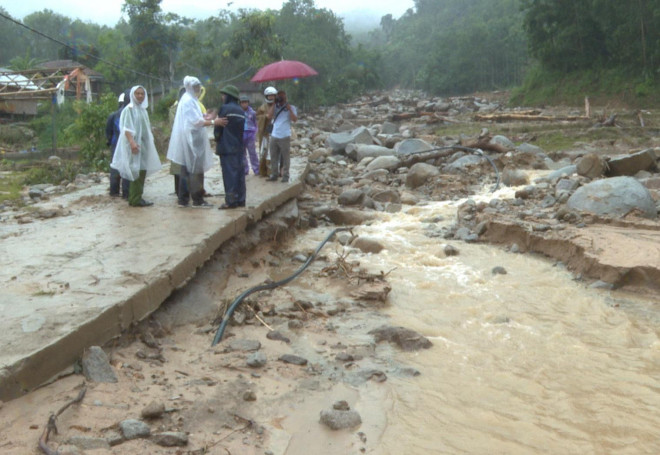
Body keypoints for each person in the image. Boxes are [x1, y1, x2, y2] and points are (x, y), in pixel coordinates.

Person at [167, 76, 222, 208]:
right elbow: (195, 122)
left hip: (191, 140)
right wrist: (214, 122)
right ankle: (197, 199)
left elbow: (194, 118)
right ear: (189, 87)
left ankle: (183, 199)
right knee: (195, 170)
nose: (197, 88)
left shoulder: (190, 100)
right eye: (195, 86)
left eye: (198, 86)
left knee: (186, 169)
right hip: (191, 141)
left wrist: (205, 116)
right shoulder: (188, 101)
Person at [110, 85, 162, 207]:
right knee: (135, 172)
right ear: (133, 95)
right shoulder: (129, 109)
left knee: (141, 171)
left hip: (143, 146)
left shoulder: (142, 110)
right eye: (137, 93)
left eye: (142, 94)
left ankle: (137, 196)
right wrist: (132, 143)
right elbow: (126, 129)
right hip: (133, 147)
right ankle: (134, 199)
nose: (140, 96)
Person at [214, 85, 245, 209]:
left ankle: (230, 201)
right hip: (238, 146)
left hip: (226, 147)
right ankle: (241, 200)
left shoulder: (225, 108)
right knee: (239, 174)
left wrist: (217, 138)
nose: (222, 97)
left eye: (223, 95)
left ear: (228, 96)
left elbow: (218, 128)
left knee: (229, 174)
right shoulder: (241, 110)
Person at [267, 89, 297, 183]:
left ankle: (286, 175)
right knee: (273, 156)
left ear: (286, 97)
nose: (281, 98)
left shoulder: (291, 107)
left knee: (285, 157)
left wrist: (289, 109)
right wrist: (274, 103)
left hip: (285, 136)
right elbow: (269, 116)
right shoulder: (275, 107)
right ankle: (274, 174)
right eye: (279, 96)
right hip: (274, 135)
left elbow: (294, 119)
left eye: (282, 96)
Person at [105, 90, 130, 198]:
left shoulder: (113, 115)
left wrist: (109, 141)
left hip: (115, 145)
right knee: (127, 168)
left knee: (115, 168)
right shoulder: (130, 113)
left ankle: (114, 192)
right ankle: (126, 193)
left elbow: (108, 131)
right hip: (128, 144)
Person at [256, 86, 277, 177]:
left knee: (274, 152)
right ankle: (263, 171)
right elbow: (257, 118)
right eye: (269, 96)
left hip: (276, 133)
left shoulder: (278, 106)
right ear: (266, 96)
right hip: (265, 133)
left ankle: (273, 172)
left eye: (273, 95)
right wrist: (265, 117)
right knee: (263, 152)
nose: (271, 97)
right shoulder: (262, 107)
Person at [240, 95, 259, 175]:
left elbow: (256, 123)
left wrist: (256, 132)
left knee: (252, 152)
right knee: (242, 153)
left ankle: (256, 169)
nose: (244, 104)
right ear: (240, 103)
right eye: (242, 103)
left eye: (245, 102)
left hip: (250, 133)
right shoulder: (239, 112)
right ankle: (245, 169)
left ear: (248, 103)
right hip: (241, 133)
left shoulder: (253, 112)